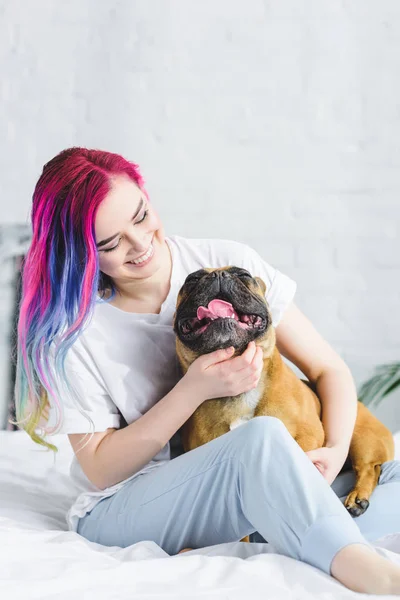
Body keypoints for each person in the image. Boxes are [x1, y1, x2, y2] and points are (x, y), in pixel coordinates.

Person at [13, 147, 400, 595]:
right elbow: (101, 469)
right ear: (78, 252)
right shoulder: (72, 332)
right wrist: (192, 391)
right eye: (111, 243)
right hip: (127, 504)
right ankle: (364, 569)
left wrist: (334, 451)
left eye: (141, 216)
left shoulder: (225, 260)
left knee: (389, 475)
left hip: (240, 483)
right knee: (258, 439)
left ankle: (281, 528)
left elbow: (328, 367)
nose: (140, 244)